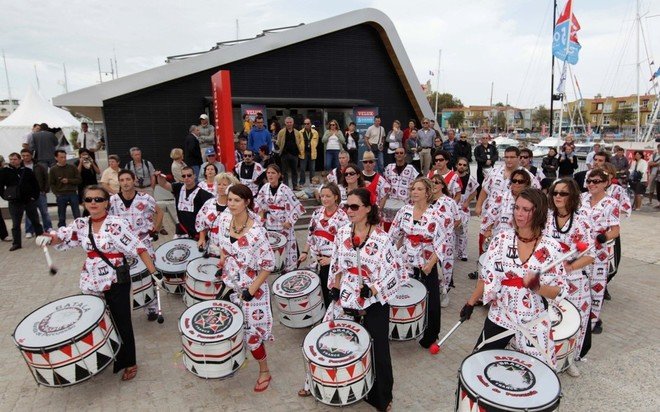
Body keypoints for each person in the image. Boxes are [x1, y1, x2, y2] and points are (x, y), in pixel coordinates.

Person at [39, 186, 158, 382]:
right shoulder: (81, 224)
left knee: (122, 321)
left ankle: (129, 362)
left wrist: (154, 273)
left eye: (98, 199)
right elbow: (63, 236)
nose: (93, 203)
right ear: (84, 202)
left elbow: (139, 247)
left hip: (116, 278)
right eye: (89, 199)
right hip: (91, 279)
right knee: (96, 320)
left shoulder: (116, 224)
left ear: (106, 203)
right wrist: (48, 238)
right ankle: (103, 354)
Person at [461, 188, 567, 368]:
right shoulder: (501, 239)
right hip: (501, 315)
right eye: (517, 208)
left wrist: (537, 287)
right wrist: (471, 302)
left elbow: (559, 290)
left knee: (539, 371)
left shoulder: (551, 247)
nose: (519, 213)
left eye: (526, 210)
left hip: (532, 320)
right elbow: (486, 277)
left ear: (539, 212)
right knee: (478, 366)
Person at [325, 188, 406, 411]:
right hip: (347, 297)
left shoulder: (382, 237)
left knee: (378, 349)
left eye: (354, 207)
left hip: (373, 302)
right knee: (344, 343)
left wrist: (373, 289)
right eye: (346, 206)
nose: (348, 211)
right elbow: (337, 262)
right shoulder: (342, 233)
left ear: (368, 208)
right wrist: (335, 285)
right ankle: (349, 386)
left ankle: (382, 397)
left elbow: (395, 271)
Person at [213, 184, 275, 392]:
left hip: (252, 290)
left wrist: (250, 291)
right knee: (228, 326)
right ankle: (231, 362)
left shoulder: (258, 232)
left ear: (247, 202)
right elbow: (223, 245)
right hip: (230, 283)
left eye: (236, 200)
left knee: (252, 334)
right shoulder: (223, 219)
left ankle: (264, 371)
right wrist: (222, 260)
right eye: (229, 200)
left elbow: (268, 265)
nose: (231, 204)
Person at [389, 177, 447, 351]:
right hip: (406, 263)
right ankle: (401, 329)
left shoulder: (436, 215)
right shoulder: (404, 211)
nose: (414, 191)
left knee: (431, 300)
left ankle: (430, 335)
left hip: (426, 264)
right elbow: (394, 235)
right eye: (413, 188)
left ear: (428, 193)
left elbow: (442, 243)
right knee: (404, 296)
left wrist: (430, 264)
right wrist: (393, 256)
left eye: (419, 189)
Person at [545, 178, 595, 377]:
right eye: (555, 193)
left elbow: (590, 255)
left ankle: (570, 360)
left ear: (572, 196)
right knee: (551, 320)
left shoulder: (582, 221)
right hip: (550, 280)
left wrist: (570, 267)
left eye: (563, 193)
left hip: (575, 282)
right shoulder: (546, 218)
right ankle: (548, 358)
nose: (558, 196)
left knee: (576, 323)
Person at [109, 170, 164, 321]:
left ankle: (151, 307)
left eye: (128, 179)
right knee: (123, 277)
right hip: (121, 244)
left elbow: (159, 212)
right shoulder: (112, 200)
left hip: (143, 241)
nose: (125, 182)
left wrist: (156, 228)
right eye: (122, 180)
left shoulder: (145, 198)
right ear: (119, 182)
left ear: (134, 181)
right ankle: (122, 308)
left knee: (148, 273)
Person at [579, 168, 620, 334]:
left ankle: (592, 322)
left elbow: (616, 230)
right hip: (579, 250)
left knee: (595, 288)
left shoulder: (612, 203)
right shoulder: (581, 198)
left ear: (605, 183)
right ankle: (577, 320)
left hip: (598, 252)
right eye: (589, 181)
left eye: (596, 181)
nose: (591, 184)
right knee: (580, 286)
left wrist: (604, 237)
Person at [298, 183, 350, 308]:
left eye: (328, 196)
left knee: (331, 294)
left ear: (336, 197)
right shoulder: (317, 213)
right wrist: (305, 252)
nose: (325, 199)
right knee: (318, 292)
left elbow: (346, 245)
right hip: (316, 260)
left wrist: (331, 260)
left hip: (331, 263)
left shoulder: (343, 217)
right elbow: (311, 234)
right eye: (322, 196)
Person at [255, 165, 305, 272]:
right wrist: (261, 216)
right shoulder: (264, 188)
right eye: (268, 173)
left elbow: (297, 206)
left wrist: (290, 221)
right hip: (270, 224)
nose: (270, 175)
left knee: (287, 250)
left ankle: (288, 271)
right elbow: (258, 204)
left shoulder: (285, 189)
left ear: (279, 175)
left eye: (273, 173)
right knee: (273, 250)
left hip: (284, 224)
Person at [0, 152, 44, 251]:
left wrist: (34, 197)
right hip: (14, 202)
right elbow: (1, 186)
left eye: (15, 159)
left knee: (35, 221)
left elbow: (35, 185)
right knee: (16, 224)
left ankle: (41, 238)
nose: (12, 161)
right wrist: (5, 197)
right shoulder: (4, 172)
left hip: (29, 200)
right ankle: (16, 243)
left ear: (20, 160)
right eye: (11, 159)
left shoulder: (27, 171)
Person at [156, 165, 213, 238]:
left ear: (194, 176)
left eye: (189, 175)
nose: (186, 178)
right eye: (184, 176)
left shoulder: (203, 194)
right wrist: (159, 177)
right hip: (181, 230)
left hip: (197, 232)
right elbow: (163, 184)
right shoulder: (178, 187)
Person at [429, 172, 460, 307]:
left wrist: (447, 230)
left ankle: (445, 292)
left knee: (446, 268)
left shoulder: (449, 202)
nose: (434, 185)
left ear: (442, 185)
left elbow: (457, 220)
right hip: (428, 242)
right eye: (431, 182)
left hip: (446, 242)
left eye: (437, 182)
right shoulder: (425, 201)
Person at [196, 173, 241, 257]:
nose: (220, 187)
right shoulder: (209, 203)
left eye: (224, 185)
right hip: (211, 247)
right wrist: (201, 238)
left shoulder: (236, 207)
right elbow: (200, 221)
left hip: (230, 251)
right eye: (219, 184)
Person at [20, 149, 52, 237]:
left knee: (44, 212)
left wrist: (45, 190)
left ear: (31, 155)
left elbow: (46, 177)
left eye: (27, 155)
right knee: (29, 213)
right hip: (27, 194)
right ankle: (29, 230)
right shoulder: (20, 167)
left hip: (40, 192)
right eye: (24, 155)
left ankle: (48, 227)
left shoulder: (39, 166)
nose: (26, 157)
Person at [49, 150, 82, 227]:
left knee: (77, 213)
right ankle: (62, 229)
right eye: (61, 157)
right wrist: (56, 193)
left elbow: (79, 180)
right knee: (61, 215)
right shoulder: (53, 169)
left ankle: (79, 227)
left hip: (72, 193)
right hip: (61, 194)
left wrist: (69, 181)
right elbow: (51, 183)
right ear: (56, 158)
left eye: (65, 157)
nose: (64, 159)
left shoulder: (72, 167)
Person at [455, 157, 479, 261]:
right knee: (451, 232)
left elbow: (475, 191)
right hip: (453, 206)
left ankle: (463, 254)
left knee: (463, 232)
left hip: (464, 207)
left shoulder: (471, 178)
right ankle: (451, 252)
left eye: (464, 165)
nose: (462, 166)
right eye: (460, 164)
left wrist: (468, 202)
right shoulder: (452, 177)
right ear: (456, 165)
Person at [276, 116, 303, 189]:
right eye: (287, 122)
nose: (289, 124)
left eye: (290, 122)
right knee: (284, 171)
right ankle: (286, 186)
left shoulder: (297, 132)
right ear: (285, 123)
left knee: (295, 171)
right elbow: (278, 142)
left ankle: (295, 185)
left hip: (294, 154)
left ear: (293, 123)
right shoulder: (281, 132)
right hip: (284, 154)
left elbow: (299, 141)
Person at [75, 149, 100, 216]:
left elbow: (98, 172)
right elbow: (77, 173)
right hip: (83, 186)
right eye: (83, 154)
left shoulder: (91, 161)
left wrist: (92, 163)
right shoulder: (77, 162)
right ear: (80, 155)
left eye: (86, 154)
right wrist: (81, 162)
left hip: (93, 185)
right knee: (86, 205)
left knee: (94, 202)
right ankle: (86, 218)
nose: (85, 156)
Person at [299, 118, 319, 186]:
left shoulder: (315, 132)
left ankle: (312, 182)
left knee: (312, 169)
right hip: (303, 152)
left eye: (308, 123)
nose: (306, 125)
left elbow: (317, 142)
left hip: (312, 152)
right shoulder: (300, 132)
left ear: (310, 124)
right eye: (305, 124)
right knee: (302, 169)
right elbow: (298, 142)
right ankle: (302, 182)